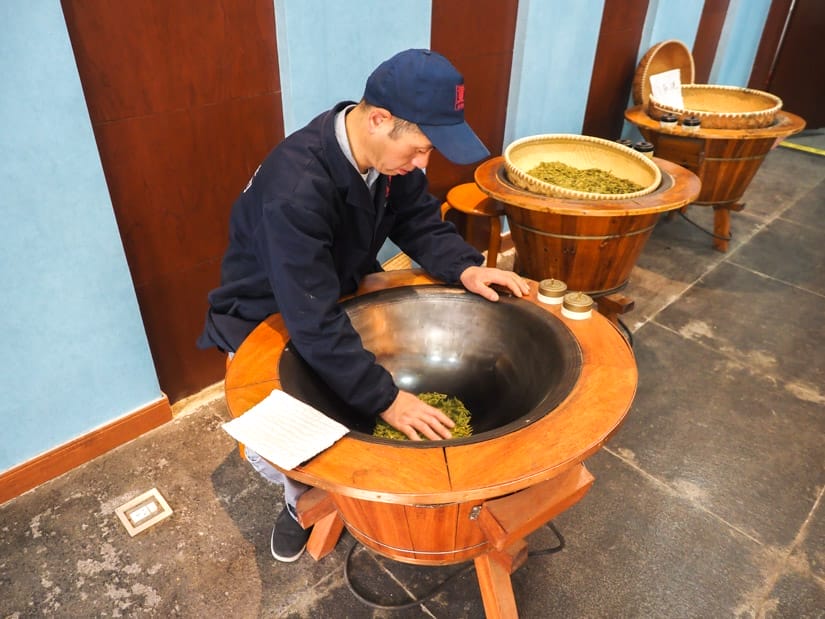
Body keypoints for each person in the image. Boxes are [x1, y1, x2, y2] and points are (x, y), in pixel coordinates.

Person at [197, 48, 529, 562]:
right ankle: (295, 500)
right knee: (300, 437)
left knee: (358, 393)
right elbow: (311, 319)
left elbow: (417, 218)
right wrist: (388, 399)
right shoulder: (296, 188)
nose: (424, 163)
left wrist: (466, 266)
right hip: (265, 313)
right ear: (380, 120)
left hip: (332, 289)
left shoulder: (386, 158)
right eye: (420, 149)